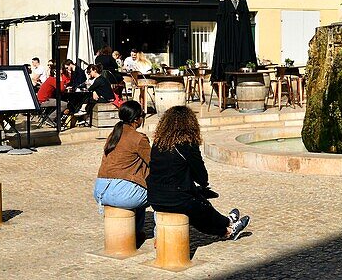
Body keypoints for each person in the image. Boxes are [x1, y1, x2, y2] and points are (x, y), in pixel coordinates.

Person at [147, 106, 249, 240]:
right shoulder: (187, 145)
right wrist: (203, 184)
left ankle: (227, 225)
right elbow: (200, 175)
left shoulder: (158, 143)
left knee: (198, 204)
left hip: (155, 197)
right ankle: (228, 227)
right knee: (200, 209)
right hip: (177, 198)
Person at [94, 101, 152, 243]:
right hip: (121, 193)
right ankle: (136, 233)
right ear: (137, 119)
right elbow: (153, 162)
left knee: (135, 186)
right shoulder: (139, 139)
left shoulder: (113, 135)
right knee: (155, 193)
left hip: (100, 191)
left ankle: (135, 231)